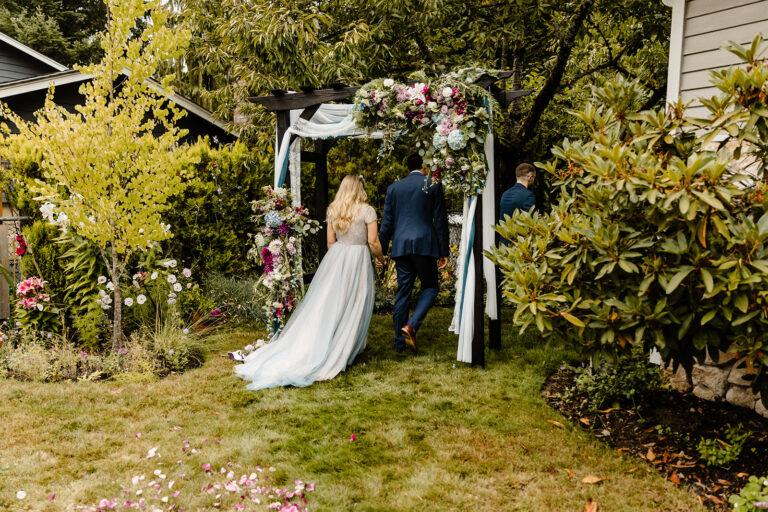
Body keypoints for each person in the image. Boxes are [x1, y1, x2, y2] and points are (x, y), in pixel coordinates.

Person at [234, 175, 386, 390]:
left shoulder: (334, 210)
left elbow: (330, 243)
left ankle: (335, 341)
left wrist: (338, 263)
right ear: (359, 188)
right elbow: (373, 241)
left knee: (330, 303)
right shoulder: (367, 210)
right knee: (356, 301)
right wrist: (380, 258)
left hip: (337, 258)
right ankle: (347, 346)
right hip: (358, 259)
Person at [378, 154, 450, 353]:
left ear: (407, 168)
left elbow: (387, 223)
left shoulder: (394, 189)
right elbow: (440, 219)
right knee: (431, 287)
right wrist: (444, 251)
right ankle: (411, 325)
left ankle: (399, 343)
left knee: (403, 291)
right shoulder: (433, 184)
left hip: (401, 246)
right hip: (425, 244)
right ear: (422, 167)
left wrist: (380, 252)